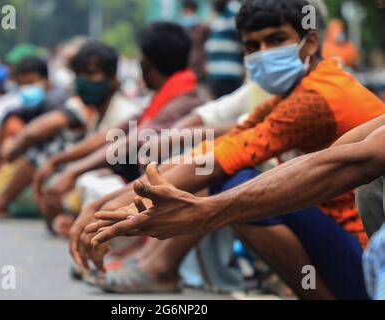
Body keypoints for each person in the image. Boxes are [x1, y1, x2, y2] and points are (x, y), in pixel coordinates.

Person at [74, 0, 385, 299]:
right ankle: (155, 263)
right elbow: (224, 143)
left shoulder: (317, 98)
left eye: (276, 40)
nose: (264, 54)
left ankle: (162, 267)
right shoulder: (298, 91)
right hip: (352, 245)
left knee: (233, 180)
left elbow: (223, 158)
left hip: (362, 253)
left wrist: (205, 212)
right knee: (224, 174)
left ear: (310, 43)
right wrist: (106, 206)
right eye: (253, 47)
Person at [34, 22, 204, 230]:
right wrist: (62, 163)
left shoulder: (182, 101)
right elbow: (114, 135)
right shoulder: (163, 98)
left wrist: (73, 172)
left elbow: (131, 141)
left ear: (147, 64)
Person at [0, 42, 137, 220]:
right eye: (79, 74)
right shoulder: (87, 107)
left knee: (54, 147)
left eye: (90, 74)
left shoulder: (125, 111)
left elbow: (102, 142)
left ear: (112, 79)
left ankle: (5, 202)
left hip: (110, 179)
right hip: (80, 173)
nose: (83, 81)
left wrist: (58, 163)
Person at [205, 0, 244, 98]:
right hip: (217, 73)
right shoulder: (221, 12)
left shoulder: (234, 10)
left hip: (229, 73)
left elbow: (242, 35)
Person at [179, 0, 210, 82]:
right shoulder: (180, 29)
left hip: (199, 69)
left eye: (189, 11)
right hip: (185, 69)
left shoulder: (203, 28)